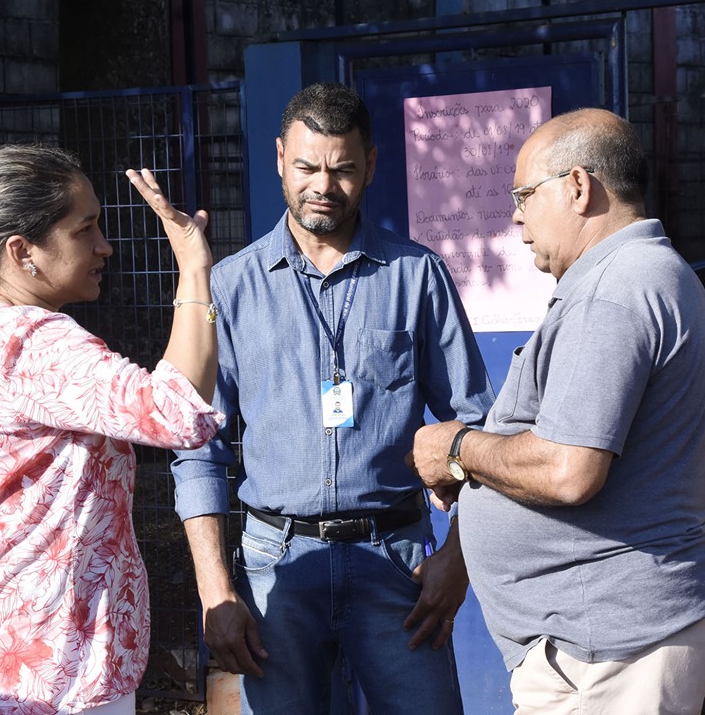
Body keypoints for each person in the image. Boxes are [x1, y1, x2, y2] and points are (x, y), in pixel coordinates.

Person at [171, 82, 495, 713]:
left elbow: (476, 427)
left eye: (343, 168)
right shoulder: (231, 287)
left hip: (396, 564)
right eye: (307, 166)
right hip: (276, 569)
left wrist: (459, 556)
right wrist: (216, 591)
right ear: (278, 161)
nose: (323, 184)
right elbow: (196, 448)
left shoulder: (417, 276)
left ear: (370, 165)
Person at [0, 144, 224, 714]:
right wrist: (193, 267)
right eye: (84, 229)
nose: (103, 246)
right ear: (22, 251)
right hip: (63, 678)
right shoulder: (34, 344)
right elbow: (178, 412)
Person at [411, 108, 705, 714]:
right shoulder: (635, 276)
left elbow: (568, 470)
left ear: (578, 187)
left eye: (524, 195)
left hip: (615, 644)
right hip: (605, 636)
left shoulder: (616, 290)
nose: (516, 216)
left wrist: (457, 449)